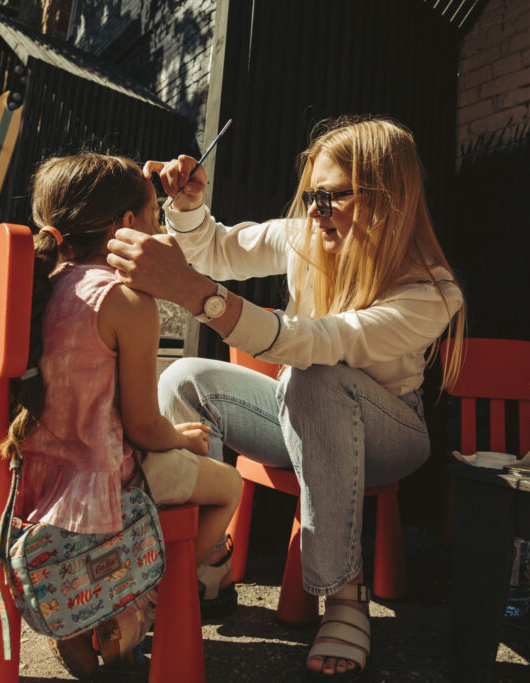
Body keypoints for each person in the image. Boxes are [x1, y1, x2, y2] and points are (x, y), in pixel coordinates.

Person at [106, 116, 465, 681]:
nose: (315, 212)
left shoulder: (432, 291)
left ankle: (344, 595)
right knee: (184, 378)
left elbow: (319, 342)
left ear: (387, 198)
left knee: (317, 374)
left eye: (332, 197)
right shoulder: (305, 237)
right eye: (311, 196)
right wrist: (190, 208)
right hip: (301, 411)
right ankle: (204, 563)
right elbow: (219, 252)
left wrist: (197, 295)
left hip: (391, 436)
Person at [0, 153, 242, 679]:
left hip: (20, 478)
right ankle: (136, 603)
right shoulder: (126, 300)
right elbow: (144, 428)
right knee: (228, 486)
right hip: (100, 483)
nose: (160, 229)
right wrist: (183, 439)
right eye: (154, 217)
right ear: (126, 225)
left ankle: (91, 611)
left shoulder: (36, 285)